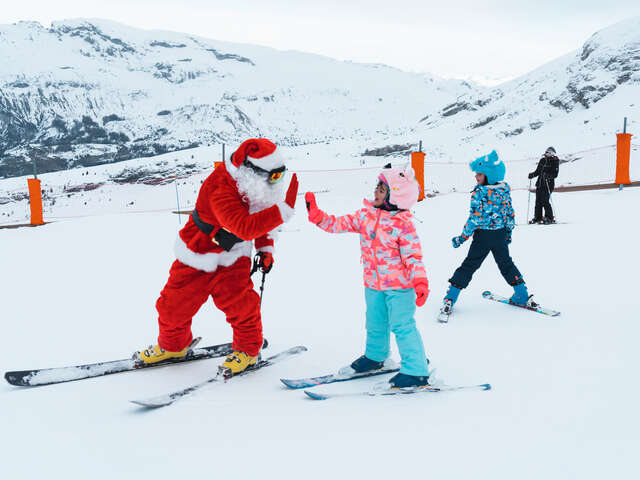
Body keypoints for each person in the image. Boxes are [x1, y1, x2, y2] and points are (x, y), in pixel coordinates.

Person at [135, 138, 299, 377]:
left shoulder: (255, 185)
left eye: (279, 175)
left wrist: (265, 248)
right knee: (172, 307)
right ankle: (173, 347)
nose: (276, 182)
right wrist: (282, 211)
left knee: (243, 307)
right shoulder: (220, 186)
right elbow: (244, 225)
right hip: (197, 253)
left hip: (233, 257)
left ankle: (248, 351)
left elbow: (262, 212)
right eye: (272, 176)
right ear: (249, 171)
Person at [304, 164, 431, 389]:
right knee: (375, 323)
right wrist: (318, 216)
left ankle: (416, 370)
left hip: (400, 287)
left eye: (382, 189)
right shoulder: (366, 215)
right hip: (373, 284)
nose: (376, 192)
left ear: (396, 196)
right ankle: (375, 357)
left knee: (402, 325)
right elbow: (338, 224)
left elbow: (413, 257)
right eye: (377, 187)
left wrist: (420, 282)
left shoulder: (403, 225)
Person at [440, 150, 533, 320]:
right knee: (506, 264)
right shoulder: (504, 190)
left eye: (480, 174)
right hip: (499, 235)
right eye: (476, 174)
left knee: (469, 265)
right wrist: (508, 233)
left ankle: (450, 298)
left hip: (482, 237)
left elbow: (474, 219)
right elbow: (509, 214)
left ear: (489, 175)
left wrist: (462, 238)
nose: (476, 177)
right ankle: (522, 294)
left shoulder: (480, 192)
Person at [528, 146, 559, 224]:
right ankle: (537, 217)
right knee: (538, 201)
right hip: (540, 184)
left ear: (552, 154)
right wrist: (532, 175)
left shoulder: (554, 161)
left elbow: (555, 174)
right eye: (546, 152)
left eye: (548, 152)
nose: (546, 153)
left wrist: (548, 176)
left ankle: (549, 217)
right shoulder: (542, 160)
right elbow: (538, 171)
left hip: (548, 184)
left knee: (545, 200)